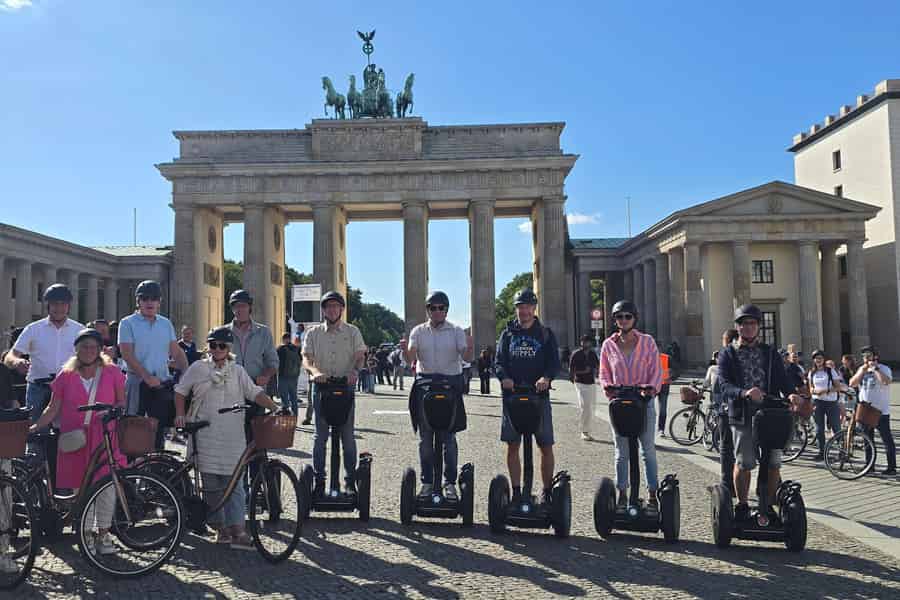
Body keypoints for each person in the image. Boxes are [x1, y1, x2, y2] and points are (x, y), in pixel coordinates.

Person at [174, 326, 280, 549]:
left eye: (222, 345)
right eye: (213, 345)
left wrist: (274, 406)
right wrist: (181, 415)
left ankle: (239, 530)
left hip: (233, 435)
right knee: (211, 484)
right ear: (208, 346)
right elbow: (180, 391)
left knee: (235, 485)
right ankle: (220, 528)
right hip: (205, 433)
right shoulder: (197, 368)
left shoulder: (238, 371)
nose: (217, 349)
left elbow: (254, 392)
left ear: (229, 348)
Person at [30, 328, 127, 555]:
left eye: (93, 346)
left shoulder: (112, 372)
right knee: (80, 489)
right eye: (84, 346)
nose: (88, 350)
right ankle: (85, 535)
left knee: (106, 487)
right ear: (77, 349)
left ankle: (103, 534)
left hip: (104, 437)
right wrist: (36, 426)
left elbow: (122, 401)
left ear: (100, 349)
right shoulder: (66, 375)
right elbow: (53, 407)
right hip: (75, 439)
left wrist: (112, 412)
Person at [718, 304, 802, 521]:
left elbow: (783, 379)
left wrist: (791, 393)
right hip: (742, 414)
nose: (748, 327)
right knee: (745, 461)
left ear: (758, 326)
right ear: (738, 327)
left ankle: (768, 505)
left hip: (770, 413)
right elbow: (724, 385)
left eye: (753, 323)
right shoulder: (728, 354)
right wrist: (745, 392)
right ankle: (743, 505)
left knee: (774, 461)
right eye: (744, 323)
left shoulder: (769, 352)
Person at [401, 291, 474, 498]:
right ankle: (427, 482)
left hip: (450, 386)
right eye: (433, 308)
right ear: (427, 310)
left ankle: (449, 483)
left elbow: (466, 355)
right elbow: (411, 357)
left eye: (441, 307)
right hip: (425, 386)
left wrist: (469, 348)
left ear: (446, 310)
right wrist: (406, 354)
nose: (437, 311)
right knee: (425, 439)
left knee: (449, 439)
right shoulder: (418, 331)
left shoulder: (457, 331)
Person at [494, 288, 560, 505]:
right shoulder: (507, 334)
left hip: (538, 398)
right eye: (520, 306)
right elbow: (499, 362)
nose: (524, 310)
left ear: (534, 308)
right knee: (513, 445)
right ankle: (515, 491)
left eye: (527, 306)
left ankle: (547, 492)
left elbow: (554, 363)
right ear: (516, 309)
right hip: (512, 398)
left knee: (545, 445)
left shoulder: (545, 334)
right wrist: (504, 377)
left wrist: (546, 378)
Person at [5, 284, 83, 464]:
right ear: (48, 305)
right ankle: (34, 483)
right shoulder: (34, 329)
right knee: (35, 437)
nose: (59, 308)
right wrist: (17, 362)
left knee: (68, 435)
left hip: (68, 389)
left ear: (69, 306)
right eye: (54, 304)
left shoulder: (79, 330)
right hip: (38, 388)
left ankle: (63, 479)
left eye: (63, 304)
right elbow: (11, 355)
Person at [599, 300, 662, 508]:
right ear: (615, 320)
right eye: (619, 317)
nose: (624, 320)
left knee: (648, 449)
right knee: (621, 451)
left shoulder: (647, 342)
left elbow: (656, 370)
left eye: (628, 316)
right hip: (619, 404)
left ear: (635, 318)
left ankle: (653, 493)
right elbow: (604, 373)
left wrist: (650, 388)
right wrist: (609, 387)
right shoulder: (608, 345)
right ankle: (623, 494)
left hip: (643, 403)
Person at [302, 291, 366, 497]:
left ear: (341, 309)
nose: (332, 309)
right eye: (328, 306)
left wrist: (355, 371)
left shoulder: (352, 331)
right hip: (321, 388)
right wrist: (315, 372)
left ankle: (349, 480)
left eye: (335, 306)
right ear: (323, 310)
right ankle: (319, 479)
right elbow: (307, 358)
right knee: (320, 436)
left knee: (348, 436)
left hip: (344, 387)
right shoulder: (313, 333)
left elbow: (359, 356)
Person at [118, 280, 188, 449]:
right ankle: (134, 472)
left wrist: (187, 375)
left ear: (159, 301)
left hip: (160, 385)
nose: (149, 302)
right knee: (135, 432)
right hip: (137, 383)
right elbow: (127, 354)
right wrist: (147, 377)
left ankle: (156, 471)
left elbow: (177, 352)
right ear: (138, 301)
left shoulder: (165, 323)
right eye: (145, 298)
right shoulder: (127, 323)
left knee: (158, 433)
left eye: (154, 298)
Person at [849, 346, 896, 476]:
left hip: (880, 411)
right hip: (865, 410)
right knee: (867, 439)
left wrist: (875, 368)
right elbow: (852, 383)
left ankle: (891, 467)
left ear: (875, 357)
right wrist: (861, 371)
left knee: (886, 439)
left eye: (868, 356)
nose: (866, 359)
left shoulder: (884, 368)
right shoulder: (862, 369)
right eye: (864, 356)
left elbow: (885, 382)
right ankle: (870, 465)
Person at [711, 329, 738, 493]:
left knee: (726, 448)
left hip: (727, 408)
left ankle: (727, 484)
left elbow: (718, 386)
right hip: (742, 408)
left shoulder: (725, 356)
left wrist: (718, 404)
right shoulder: (744, 356)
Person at [808, 349, 845, 461]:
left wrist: (825, 390)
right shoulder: (812, 372)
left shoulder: (830, 371)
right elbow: (810, 388)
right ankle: (822, 452)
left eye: (820, 358)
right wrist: (814, 391)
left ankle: (842, 451)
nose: (818, 360)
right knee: (819, 429)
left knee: (836, 427)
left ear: (824, 360)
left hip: (830, 402)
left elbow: (838, 387)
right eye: (816, 358)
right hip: (817, 402)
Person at [569, 334, 599, 441]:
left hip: (591, 382)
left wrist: (598, 375)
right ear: (581, 342)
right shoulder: (576, 354)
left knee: (592, 407)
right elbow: (571, 370)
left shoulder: (592, 354)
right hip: (580, 383)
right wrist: (581, 372)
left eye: (587, 341)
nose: (586, 343)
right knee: (585, 405)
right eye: (584, 341)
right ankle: (584, 431)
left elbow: (598, 365)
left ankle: (588, 430)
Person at [276, 332, 301, 416]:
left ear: (283, 339)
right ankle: (295, 418)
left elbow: (275, 361)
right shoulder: (297, 348)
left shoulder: (280, 349)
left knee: (284, 400)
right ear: (290, 339)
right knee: (294, 398)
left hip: (283, 376)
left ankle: (287, 419)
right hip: (294, 377)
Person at [656, 349, 672, 438]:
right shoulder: (649, 357)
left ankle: (661, 429)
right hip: (652, 386)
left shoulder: (666, 358)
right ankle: (648, 429)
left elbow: (677, 369)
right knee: (648, 409)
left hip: (664, 387)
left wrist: (671, 378)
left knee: (662, 410)